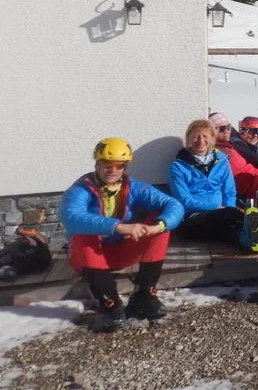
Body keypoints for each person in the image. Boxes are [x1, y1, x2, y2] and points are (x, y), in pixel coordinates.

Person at [59, 138, 184, 332]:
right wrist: (118, 226)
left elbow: (173, 205)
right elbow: (71, 217)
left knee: (159, 225)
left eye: (120, 165)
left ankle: (144, 295)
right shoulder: (80, 189)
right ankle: (110, 305)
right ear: (97, 163)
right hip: (87, 257)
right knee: (85, 232)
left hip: (119, 252)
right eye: (107, 164)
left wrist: (157, 227)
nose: (113, 170)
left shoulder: (133, 186)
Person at [169, 119, 258, 252]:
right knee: (226, 222)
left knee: (226, 226)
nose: (201, 140)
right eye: (195, 136)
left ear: (212, 138)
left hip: (223, 213)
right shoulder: (178, 167)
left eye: (205, 136)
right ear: (188, 139)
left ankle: (251, 238)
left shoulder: (221, 161)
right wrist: (219, 208)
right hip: (193, 216)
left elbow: (229, 192)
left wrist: (228, 209)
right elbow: (185, 201)